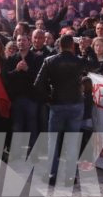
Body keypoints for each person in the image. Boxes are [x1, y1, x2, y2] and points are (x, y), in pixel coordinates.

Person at [34, 35, 90, 186]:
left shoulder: (49, 61)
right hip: (76, 104)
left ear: (59, 46)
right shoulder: (78, 61)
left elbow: (38, 84)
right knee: (72, 141)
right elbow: (95, 65)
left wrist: (48, 99)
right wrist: (86, 50)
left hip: (57, 104)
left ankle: (52, 175)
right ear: (72, 45)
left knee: (53, 141)